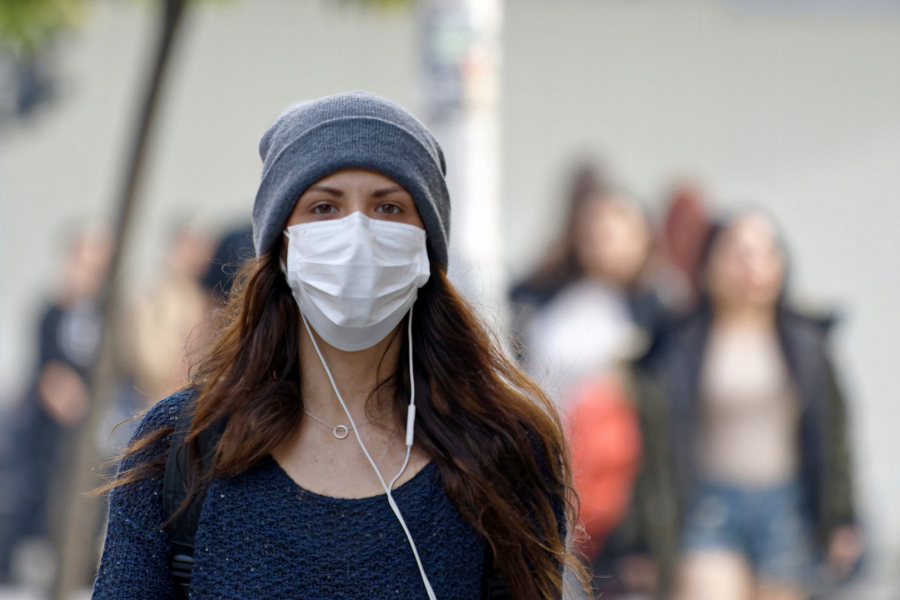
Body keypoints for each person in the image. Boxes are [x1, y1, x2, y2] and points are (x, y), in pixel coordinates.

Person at [92, 92, 581, 599]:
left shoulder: (502, 449)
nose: (357, 234)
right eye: (324, 207)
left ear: (426, 246)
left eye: (388, 206)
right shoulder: (183, 447)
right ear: (281, 245)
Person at [634, 212, 861, 600]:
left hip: (786, 508)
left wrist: (842, 517)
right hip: (707, 505)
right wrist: (644, 537)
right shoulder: (679, 342)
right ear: (709, 265)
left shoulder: (807, 341)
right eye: (738, 253)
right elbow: (652, 444)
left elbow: (833, 437)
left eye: (764, 253)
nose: (751, 266)